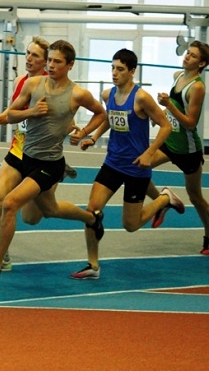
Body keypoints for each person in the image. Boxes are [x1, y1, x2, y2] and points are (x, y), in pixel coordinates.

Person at [0, 39, 107, 285]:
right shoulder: (33, 84)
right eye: (50, 60)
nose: (51, 65)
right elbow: (12, 114)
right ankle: (91, 219)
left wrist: (84, 132)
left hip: (49, 164)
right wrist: (31, 112)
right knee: (49, 210)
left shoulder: (78, 94)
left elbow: (101, 113)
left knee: (10, 204)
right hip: (24, 157)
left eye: (57, 62)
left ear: (70, 65)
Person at [69, 49, 184, 280]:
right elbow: (110, 118)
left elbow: (166, 126)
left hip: (136, 167)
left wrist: (149, 153)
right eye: (113, 68)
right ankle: (93, 265)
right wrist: (93, 137)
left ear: (132, 71)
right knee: (92, 211)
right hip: (113, 162)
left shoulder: (141, 98)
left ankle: (164, 199)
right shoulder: (108, 94)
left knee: (130, 225)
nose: (114, 73)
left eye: (120, 69)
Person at [142, 40, 209, 254]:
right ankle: (162, 201)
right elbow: (175, 110)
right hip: (169, 142)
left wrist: (168, 104)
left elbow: (190, 123)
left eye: (193, 55)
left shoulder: (197, 87)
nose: (187, 56)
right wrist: (159, 116)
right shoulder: (177, 76)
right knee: (137, 167)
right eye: (187, 53)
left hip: (188, 150)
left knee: (195, 197)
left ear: (202, 64)